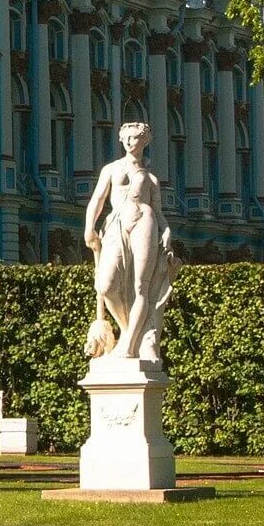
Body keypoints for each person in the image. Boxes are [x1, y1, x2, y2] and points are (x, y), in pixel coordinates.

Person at [82, 121, 177, 364]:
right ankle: (127, 332)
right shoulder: (111, 169)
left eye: (134, 137)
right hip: (116, 224)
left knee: (140, 287)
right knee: (105, 285)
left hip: (145, 222)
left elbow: (158, 212)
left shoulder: (152, 179)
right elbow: (97, 200)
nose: (128, 142)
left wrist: (166, 232)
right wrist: (89, 228)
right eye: (125, 138)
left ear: (144, 141)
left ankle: (131, 345)